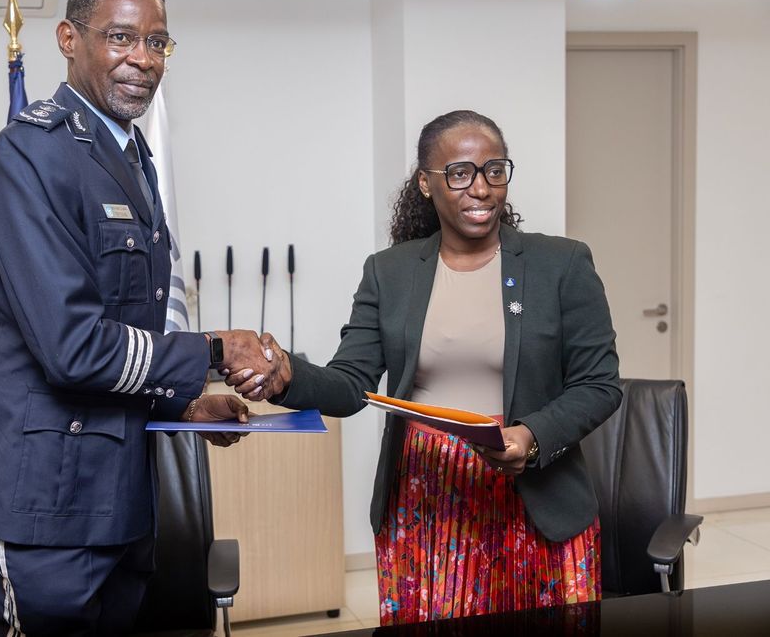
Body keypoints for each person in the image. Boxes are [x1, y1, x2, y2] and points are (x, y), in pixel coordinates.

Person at [0, 0, 280, 633]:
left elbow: (133, 327)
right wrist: (214, 350)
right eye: (121, 37)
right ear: (69, 39)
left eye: (157, 42)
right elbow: (73, 348)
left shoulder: (131, 157)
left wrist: (185, 405)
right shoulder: (28, 157)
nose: (143, 59)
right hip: (46, 500)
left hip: (124, 495)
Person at [230, 110, 621, 623]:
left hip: (535, 500)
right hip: (426, 499)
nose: (480, 188)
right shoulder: (389, 272)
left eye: (494, 170)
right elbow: (350, 384)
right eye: (459, 173)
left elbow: (599, 384)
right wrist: (287, 376)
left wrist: (531, 437)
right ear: (425, 183)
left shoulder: (562, 264)